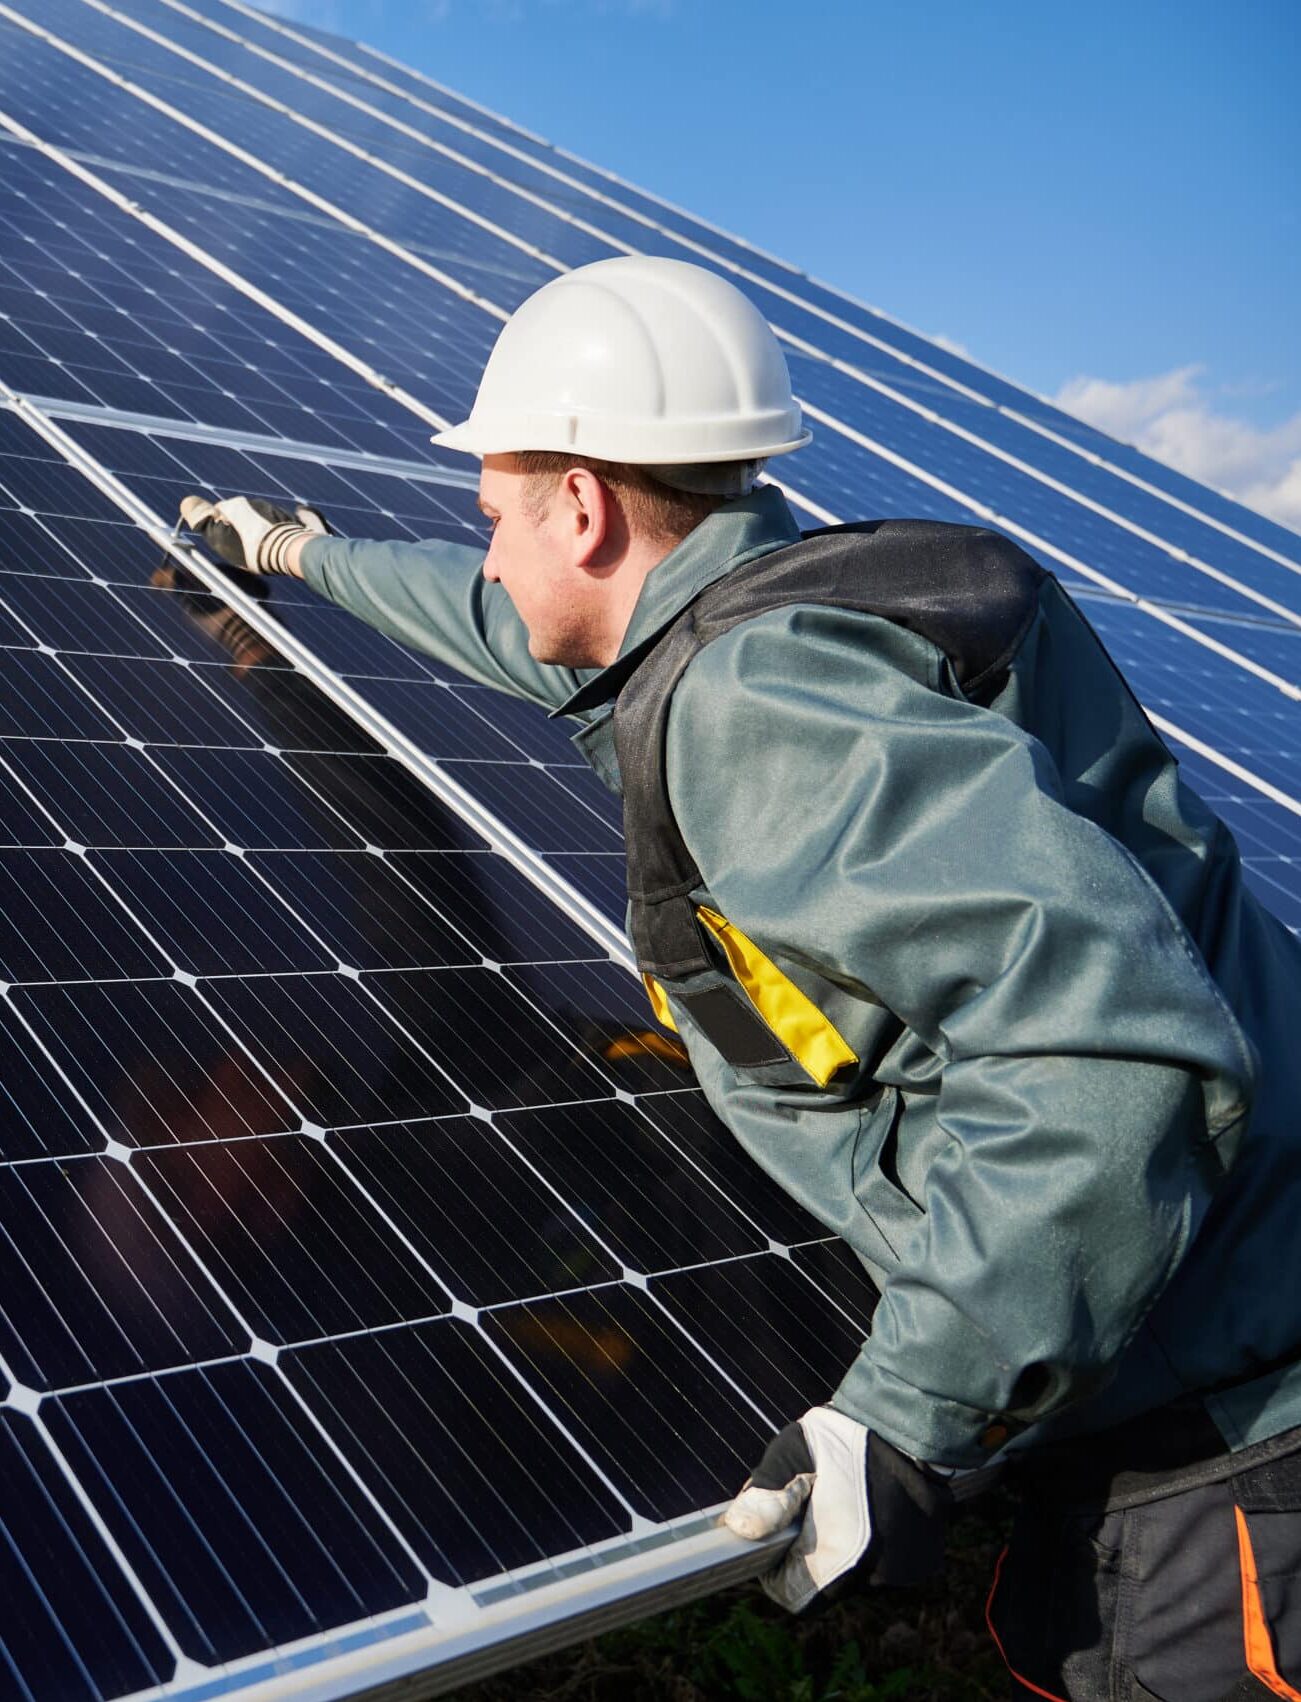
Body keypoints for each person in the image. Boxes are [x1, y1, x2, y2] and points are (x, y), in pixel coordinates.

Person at [180, 255, 1301, 1702]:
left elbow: (1107, 1050)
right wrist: (294, 560)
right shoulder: (776, 609)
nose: (491, 556)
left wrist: (902, 1415)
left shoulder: (770, 710)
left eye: (497, 517)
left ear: (580, 506)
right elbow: (512, 623)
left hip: (1230, 1463)